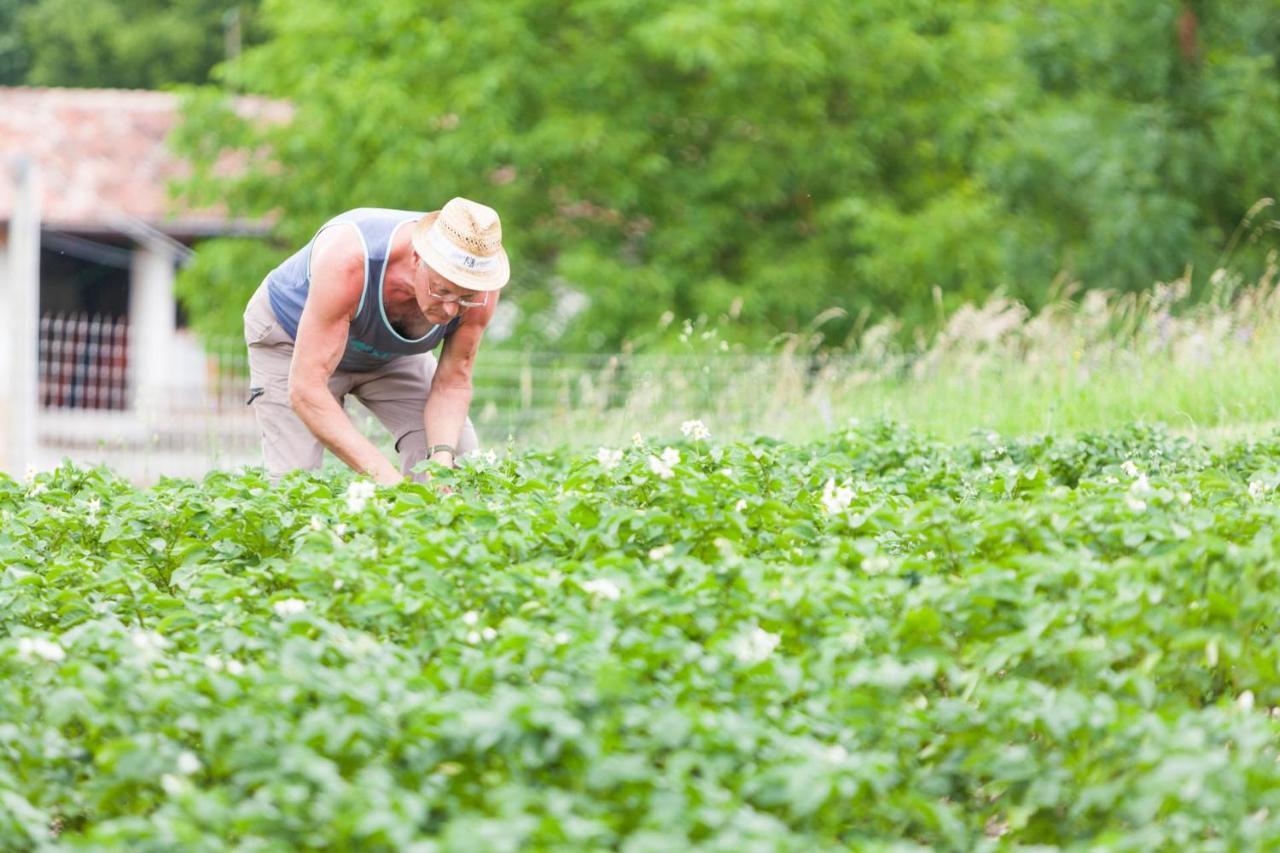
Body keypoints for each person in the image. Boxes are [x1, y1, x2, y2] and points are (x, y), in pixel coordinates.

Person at [242, 197, 508, 484]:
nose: (450, 310)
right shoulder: (350, 259)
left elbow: (453, 382)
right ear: (417, 258)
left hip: (389, 354)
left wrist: (441, 459)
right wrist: (387, 480)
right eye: (442, 290)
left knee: (459, 466)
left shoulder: (482, 288)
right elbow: (306, 389)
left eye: (465, 298)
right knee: (294, 481)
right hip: (291, 341)